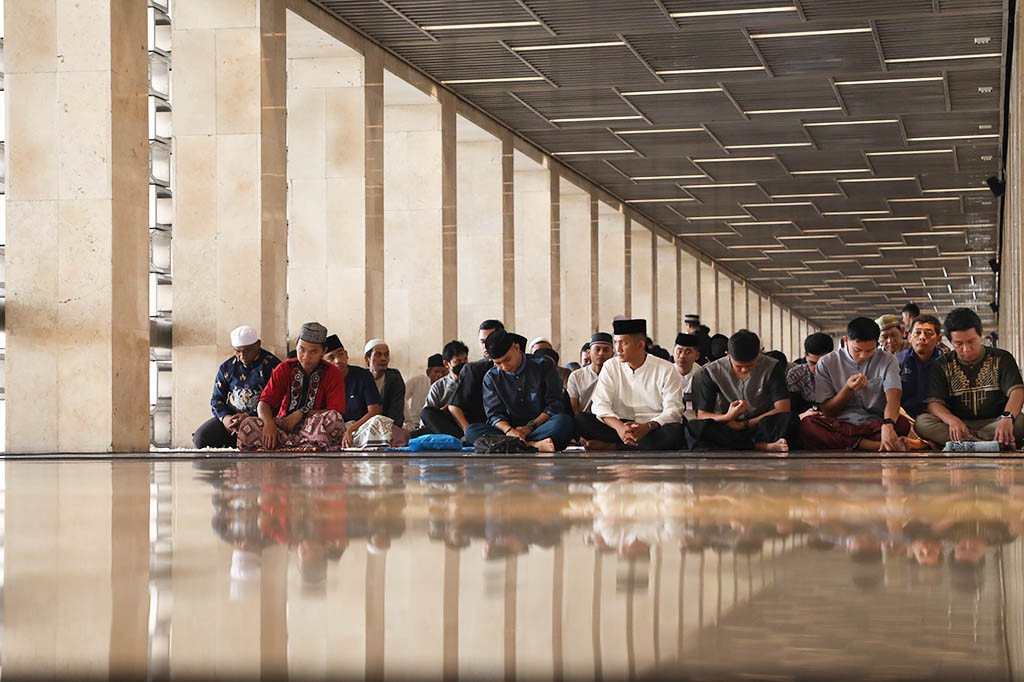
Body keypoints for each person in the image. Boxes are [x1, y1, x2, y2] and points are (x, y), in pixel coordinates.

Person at [915, 308, 1024, 448]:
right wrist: (952, 421)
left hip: (995, 422)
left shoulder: (1001, 357)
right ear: (950, 342)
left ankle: (966, 444)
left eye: (972, 341)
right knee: (922, 423)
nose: (966, 349)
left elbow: (1017, 391)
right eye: (959, 344)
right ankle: (988, 445)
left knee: (1020, 421)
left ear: (981, 334)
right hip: (959, 425)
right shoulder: (942, 364)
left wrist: (1007, 418)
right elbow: (933, 404)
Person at [799, 317, 911, 452]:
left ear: (877, 343)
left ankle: (861, 443)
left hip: (874, 423)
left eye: (870, 350)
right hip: (840, 423)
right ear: (846, 341)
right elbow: (828, 411)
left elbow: (894, 398)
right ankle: (872, 445)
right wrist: (847, 390)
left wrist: (888, 425)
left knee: (901, 424)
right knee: (808, 425)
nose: (863, 355)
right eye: (857, 350)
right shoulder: (827, 363)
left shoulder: (888, 360)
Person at [577, 318, 687, 451]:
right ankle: (631, 444)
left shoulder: (666, 369)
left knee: (675, 432)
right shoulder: (610, 366)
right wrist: (620, 428)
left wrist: (647, 427)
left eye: (624, 343)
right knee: (581, 419)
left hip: (652, 427)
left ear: (640, 345)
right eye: (616, 342)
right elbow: (600, 404)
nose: (618, 349)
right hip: (620, 426)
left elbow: (673, 410)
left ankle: (614, 447)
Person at [237, 322, 346, 450]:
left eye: (313, 352)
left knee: (334, 420)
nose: (306, 357)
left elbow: (335, 411)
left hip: (314, 429)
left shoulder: (332, 373)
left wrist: (303, 413)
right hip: (283, 427)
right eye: (302, 349)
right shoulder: (284, 368)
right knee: (247, 424)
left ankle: (291, 447)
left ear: (323, 351)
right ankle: (305, 447)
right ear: (296, 345)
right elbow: (264, 403)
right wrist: (269, 424)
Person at [687, 330, 797, 453]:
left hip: (761, 423)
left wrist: (745, 424)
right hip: (728, 425)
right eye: (738, 366)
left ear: (759, 354)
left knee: (789, 419)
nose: (744, 370)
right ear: (728, 354)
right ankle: (759, 446)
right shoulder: (712, 371)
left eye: (750, 366)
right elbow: (702, 415)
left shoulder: (771, 366)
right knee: (694, 428)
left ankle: (739, 445)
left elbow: (783, 408)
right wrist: (728, 416)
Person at [465, 330, 573, 452]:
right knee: (471, 431)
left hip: (540, 426)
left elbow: (554, 405)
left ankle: (510, 446)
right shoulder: (491, 377)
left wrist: (529, 427)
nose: (504, 366)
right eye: (498, 363)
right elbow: (494, 414)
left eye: (507, 359)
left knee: (563, 422)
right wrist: (509, 431)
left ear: (516, 348)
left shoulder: (544, 366)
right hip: (509, 432)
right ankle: (532, 445)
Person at [193, 325, 281, 448]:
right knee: (201, 438)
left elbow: (279, 402)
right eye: (238, 351)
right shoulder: (227, 367)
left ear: (258, 344)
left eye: (247, 350)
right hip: (232, 420)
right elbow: (216, 399)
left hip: (260, 420)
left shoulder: (274, 366)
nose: (242, 356)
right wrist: (226, 419)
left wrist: (249, 416)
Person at [322, 334, 391, 448]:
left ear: (347, 355)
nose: (338, 360)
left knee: (379, 421)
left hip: (360, 428)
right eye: (331, 357)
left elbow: (374, 411)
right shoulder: (322, 382)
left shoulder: (362, 376)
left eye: (341, 354)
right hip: (334, 430)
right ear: (324, 362)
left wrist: (350, 430)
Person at [449, 319, 504, 437]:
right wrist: (466, 430)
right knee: (429, 414)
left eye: (490, 341)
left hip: (504, 423)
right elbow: (454, 406)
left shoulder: (514, 364)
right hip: (477, 425)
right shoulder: (473, 369)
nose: (486, 346)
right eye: (482, 341)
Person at [419, 340, 470, 438]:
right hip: (446, 424)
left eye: (465, 360)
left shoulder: (473, 379)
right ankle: (459, 438)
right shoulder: (439, 386)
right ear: (447, 364)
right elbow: (429, 411)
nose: (463, 364)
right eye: (458, 361)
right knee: (426, 414)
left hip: (467, 422)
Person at [897, 314, 943, 419]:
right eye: (917, 333)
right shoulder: (898, 361)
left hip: (936, 417)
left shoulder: (947, 364)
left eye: (928, 334)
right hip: (904, 417)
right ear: (909, 337)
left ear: (938, 339)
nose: (922, 337)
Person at [787, 332, 834, 416]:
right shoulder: (796, 374)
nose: (818, 369)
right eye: (812, 363)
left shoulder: (841, 373)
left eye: (823, 364)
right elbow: (792, 408)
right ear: (805, 355)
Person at [567, 332, 613, 414]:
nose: (601, 353)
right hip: (585, 419)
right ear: (588, 353)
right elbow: (574, 409)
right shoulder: (576, 376)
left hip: (610, 420)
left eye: (606, 350)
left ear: (612, 354)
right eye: (597, 349)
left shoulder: (617, 375)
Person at [364, 339, 405, 428]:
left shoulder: (394, 378)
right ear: (367, 359)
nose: (383, 359)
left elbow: (396, 412)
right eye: (378, 355)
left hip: (389, 428)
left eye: (386, 355)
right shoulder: (361, 378)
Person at [405, 354, 447, 430]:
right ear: (428, 373)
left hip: (437, 426)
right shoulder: (417, 381)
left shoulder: (449, 386)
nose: (440, 375)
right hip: (415, 424)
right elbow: (401, 398)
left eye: (444, 372)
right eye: (436, 371)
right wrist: (407, 419)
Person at [673, 333, 701, 418]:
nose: (682, 356)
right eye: (679, 351)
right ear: (673, 352)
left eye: (688, 352)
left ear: (697, 355)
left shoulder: (702, 375)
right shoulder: (665, 373)